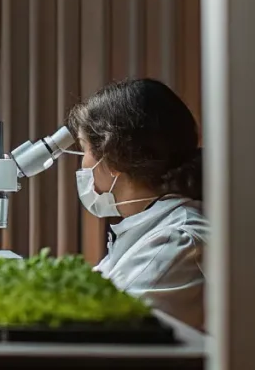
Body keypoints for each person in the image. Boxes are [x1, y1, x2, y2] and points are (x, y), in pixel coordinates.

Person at [66, 77, 208, 330]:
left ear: (112, 158)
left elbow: (113, 337)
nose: (82, 164)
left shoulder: (176, 243)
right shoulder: (147, 229)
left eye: (83, 148)